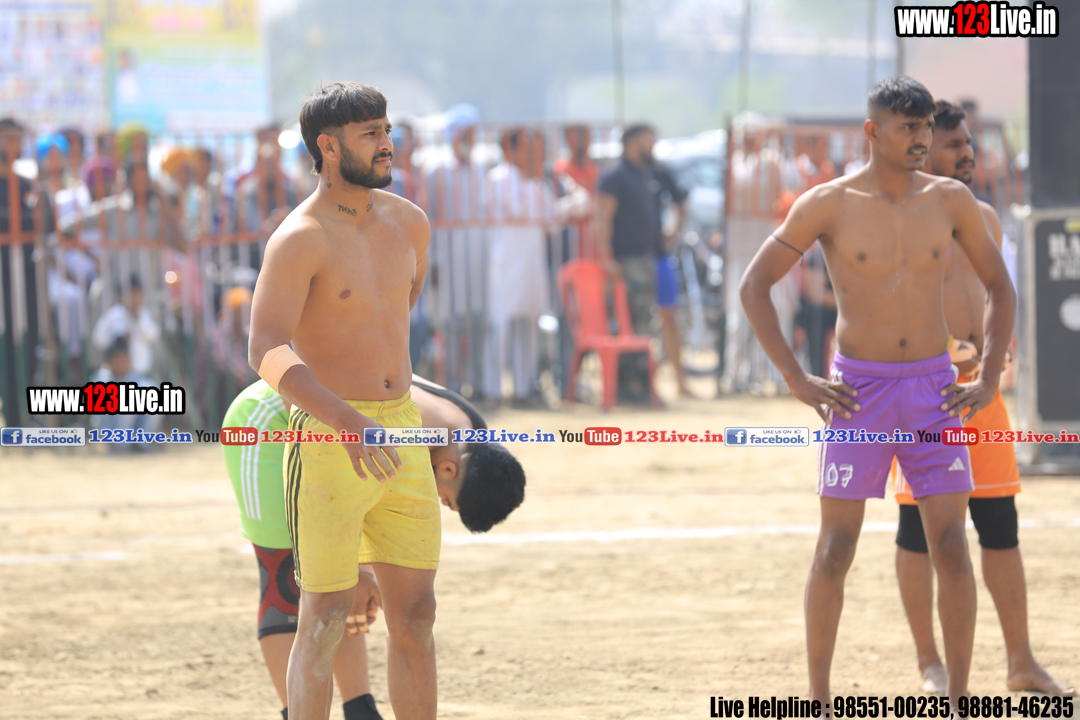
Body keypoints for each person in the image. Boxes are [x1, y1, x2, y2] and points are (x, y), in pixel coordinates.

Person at [738, 77, 1015, 706]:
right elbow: (755, 286)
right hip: (859, 394)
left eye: (926, 128)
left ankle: (960, 700)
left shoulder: (950, 201)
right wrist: (795, 377)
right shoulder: (828, 203)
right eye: (907, 128)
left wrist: (988, 376)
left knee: (952, 546)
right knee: (835, 549)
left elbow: (1001, 287)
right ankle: (817, 699)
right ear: (872, 131)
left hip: (934, 391)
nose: (921, 139)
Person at [248, 81, 437, 720]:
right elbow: (264, 348)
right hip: (330, 436)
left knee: (416, 613)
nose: (386, 144)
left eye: (386, 130)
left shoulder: (410, 223)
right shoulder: (299, 238)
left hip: (401, 430)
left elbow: (395, 317)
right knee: (326, 616)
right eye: (370, 134)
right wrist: (346, 418)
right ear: (328, 147)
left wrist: (381, 406)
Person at [891, 100, 1075, 697]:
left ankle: (1021, 662)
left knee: (1000, 525)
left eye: (969, 142)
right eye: (954, 144)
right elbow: (884, 307)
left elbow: (998, 294)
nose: (967, 152)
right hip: (925, 398)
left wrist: (993, 358)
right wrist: (947, 349)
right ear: (922, 149)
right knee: (918, 531)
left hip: (982, 394)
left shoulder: (985, 217)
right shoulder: (900, 220)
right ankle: (930, 664)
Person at [221, 374, 524, 718]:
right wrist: (360, 568)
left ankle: (360, 711)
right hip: (271, 421)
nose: (439, 501)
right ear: (448, 468)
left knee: (341, 585)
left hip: (332, 429)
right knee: (288, 580)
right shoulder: (416, 434)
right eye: (446, 499)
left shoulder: (471, 432)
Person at [595, 123, 688, 402]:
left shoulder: (651, 172)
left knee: (647, 323)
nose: (652, 145)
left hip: (650, 258)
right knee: (630, 323)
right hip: (626, 261)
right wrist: (606, 257)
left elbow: (680, 201)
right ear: (631, 142)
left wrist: (673, 231)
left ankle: (647, 384)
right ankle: (630, 385)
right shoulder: (615, 175)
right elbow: (602, 218)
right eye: (648, 140)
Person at [92, 275, 160, 378]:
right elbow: (98, 339)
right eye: (130, 295)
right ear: (121, 296)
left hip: (140, 372)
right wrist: (118, 339)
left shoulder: (144, 315)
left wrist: (138, 319)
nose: (134, 299)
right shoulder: (112, 315)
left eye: (136, 295)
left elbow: (153, 336)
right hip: (115, 375)